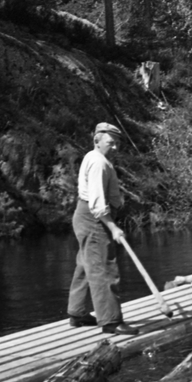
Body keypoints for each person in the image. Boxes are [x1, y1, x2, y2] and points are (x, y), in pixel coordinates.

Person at [67, 122, 139, 335]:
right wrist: (113, 227)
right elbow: (98, 203)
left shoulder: (94, 157)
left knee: (86, 263)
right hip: (94, 218)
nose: (115, 147)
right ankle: (110, 322)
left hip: (85, 216)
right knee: (103, 268)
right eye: (111, 142)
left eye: (117, 143)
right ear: (97, 140)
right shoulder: (98, 163)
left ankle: (77, 313)